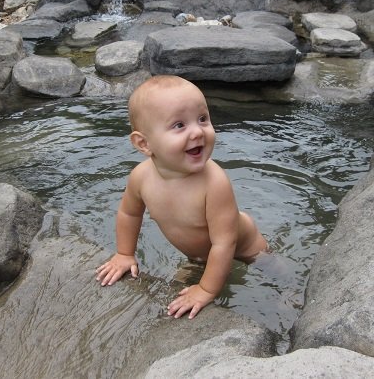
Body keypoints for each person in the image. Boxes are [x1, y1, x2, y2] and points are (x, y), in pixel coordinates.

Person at [95, 75, 269, 319]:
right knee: (177, 293)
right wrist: (125, 253)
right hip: (198, 255)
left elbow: (224, 244)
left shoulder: (214, 182)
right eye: (179, 125)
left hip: (246, 248)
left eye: (203, 118)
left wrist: (206, 290)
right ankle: (200, 269)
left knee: (273, 273)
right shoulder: (140, 177)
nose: (197, 131)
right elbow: (129, 213)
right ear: (144, 144)